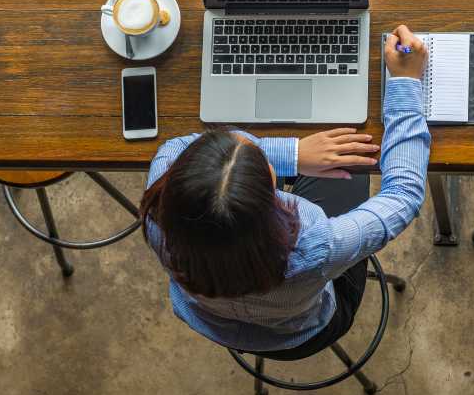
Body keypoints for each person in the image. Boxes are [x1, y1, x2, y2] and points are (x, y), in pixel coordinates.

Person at [142, 25, 430, 358]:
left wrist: (292, 155)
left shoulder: (157, 210)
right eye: (261, 157)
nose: (244, 138)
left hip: (213, 321)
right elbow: (403, 196)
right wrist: (406, 84)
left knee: (339, 161)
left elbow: (178, 146)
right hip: (306, 332)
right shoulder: (316, 248)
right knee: (350, 166)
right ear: (270, 185)